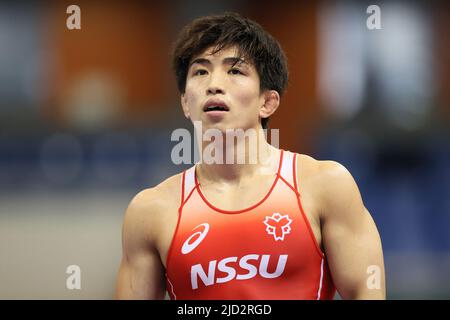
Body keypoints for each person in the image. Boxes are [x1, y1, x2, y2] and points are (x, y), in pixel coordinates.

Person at [115, 12, 385, 300]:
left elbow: (365, 292)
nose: (214, 84)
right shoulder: (151, 211)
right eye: (200, 72)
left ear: (267, 102)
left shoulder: (324, 185)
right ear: (185, 103)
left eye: (235, 71)